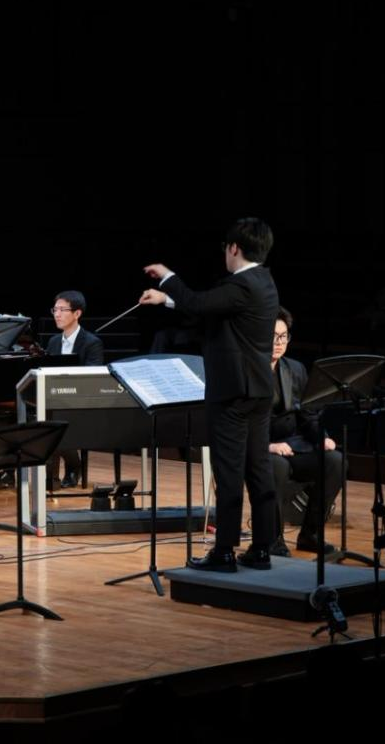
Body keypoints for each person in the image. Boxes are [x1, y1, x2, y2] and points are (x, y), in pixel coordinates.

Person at [139, 217, 279, 571]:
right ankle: (262, 548)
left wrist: (167, 276)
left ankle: (225, 551)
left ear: (234, 248)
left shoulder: (241, 283)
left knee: (229, 471)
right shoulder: (263, 280)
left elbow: (200, 303)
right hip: (259, 390)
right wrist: (167, 301)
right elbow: (212, 310)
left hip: (233, 393)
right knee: (257, 468)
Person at [266, 307, 344, 557]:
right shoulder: (247, 369)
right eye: (272, 336)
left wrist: (322, 437)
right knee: (276, 466)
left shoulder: (296, 369)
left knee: (335, 461)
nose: (278, 342)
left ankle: (311, 534)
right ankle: (273, 540)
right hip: (259, 447)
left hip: (292, 445)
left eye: (283, 336)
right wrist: (269, 446)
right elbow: (240, 422)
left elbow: (307, 414)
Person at [45, 290, 105, 488]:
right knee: (41, 419)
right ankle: (49, 476)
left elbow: (92, 379)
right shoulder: (53, 342)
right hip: (56, 401)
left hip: (81, 403)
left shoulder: (92, 343)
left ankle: (72, 466)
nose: (57, 314)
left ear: (77, 313)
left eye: (62, 310)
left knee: (54, 421)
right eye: (55, 310)